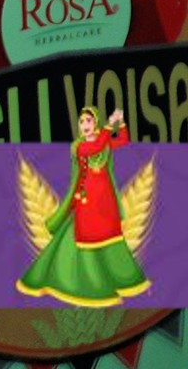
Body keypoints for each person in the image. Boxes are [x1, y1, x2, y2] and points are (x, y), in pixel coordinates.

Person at [18, 106, 152, 306]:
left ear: (95, 123)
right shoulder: (79, 146)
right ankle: (87, 282)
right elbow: (95, 148)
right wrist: (109, 126)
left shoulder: (104, 142)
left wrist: (120, 123)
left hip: (105, 201)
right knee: (87, 236)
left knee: (111, 235)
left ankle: (120, 277)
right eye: (81, 122)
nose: (84, 125)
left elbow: (122, 141)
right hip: (87, 200)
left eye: (88, 121)